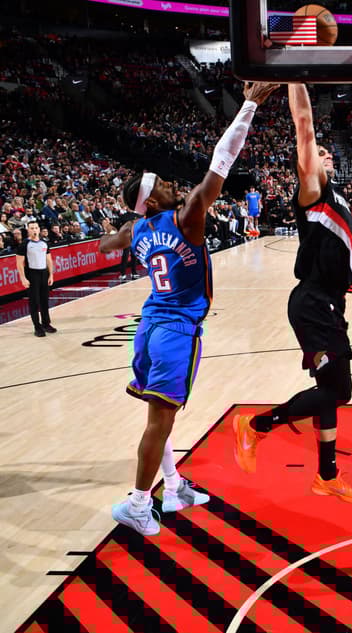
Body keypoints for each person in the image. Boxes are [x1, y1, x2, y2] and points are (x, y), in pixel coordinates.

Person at [99, 81, 278, 536]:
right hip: (176, 329)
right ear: (155, 201)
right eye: (160, 183)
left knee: (160, 414)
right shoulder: (187, 217)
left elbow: (105, 244)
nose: (169, 182)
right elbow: (222, 161)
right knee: (160, 419)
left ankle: (173, 486)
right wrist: (250, 105)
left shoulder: (137, 231)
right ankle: (139, 503)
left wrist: (124, 227)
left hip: (151, 324)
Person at [233, 84, 352, 503]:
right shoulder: (313, 194)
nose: (325, 155)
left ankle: (326, 475)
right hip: (311, 303)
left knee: (330, 390)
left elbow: (347, 262)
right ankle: (255, 426)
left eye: (328, 154)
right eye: (321, 154)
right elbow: (304, 128)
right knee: (339, 390)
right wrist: (296, 74)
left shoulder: (339, 203)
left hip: (329, 304)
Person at [15, 220, 56, 337]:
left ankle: (46, 324)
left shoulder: (44, 243)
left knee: (44, 300)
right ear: (28, 230)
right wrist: (23, 278)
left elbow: (49, 260)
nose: (34, 230)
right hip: (32, 274)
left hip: (44, 273)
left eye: (36, 228)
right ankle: (37, 327)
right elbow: (19, 263)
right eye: (32, 228)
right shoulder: (24, 244)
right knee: (34, 302)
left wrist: (51, 275)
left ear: (39, 229)